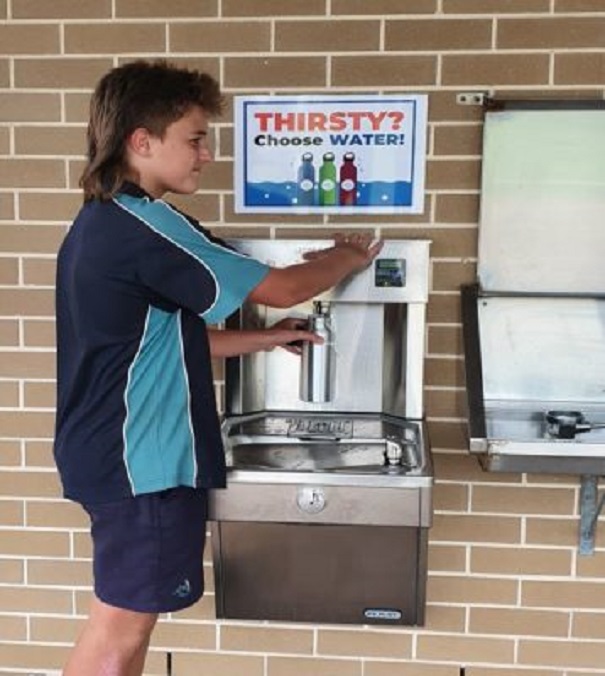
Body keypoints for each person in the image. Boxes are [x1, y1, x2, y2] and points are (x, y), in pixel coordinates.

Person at [54, 59, 382, 676]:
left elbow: (156, 343)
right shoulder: (144, 226)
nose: (206, 155)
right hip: (142, 461)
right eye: (196, 138)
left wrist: (262, 343)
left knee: (128, 623)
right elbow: (283, 287)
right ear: (141, 142)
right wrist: (345, 255)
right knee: (116, 632)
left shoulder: (102, 222)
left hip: (117, 454)